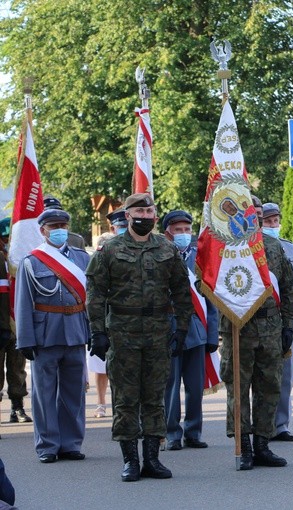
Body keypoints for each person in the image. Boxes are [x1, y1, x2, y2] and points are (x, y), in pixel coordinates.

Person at [86, 192, 192, 482]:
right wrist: (97, 331)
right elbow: (95, 293)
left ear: (154, 216)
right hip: (122, 332)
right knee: (125, 399)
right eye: (139, 212)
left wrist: (182, 328)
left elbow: (182, 291)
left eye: (149, 212)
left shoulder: (166, 249)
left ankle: (152, 460)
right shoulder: (110, 249)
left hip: (158, 332)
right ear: (127, 215)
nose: (145, 217)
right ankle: (130, 460)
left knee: (155, 398)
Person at [218, 195, 293, 470]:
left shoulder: (275, 247)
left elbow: (288, 289)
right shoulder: (227, 249)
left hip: (270, 327)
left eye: (262, 212)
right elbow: (214, 286)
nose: (260, 217)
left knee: (269, 387)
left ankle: (263, 444)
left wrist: (288, 325)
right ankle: (245, 445)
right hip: (238, 328)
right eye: (254, 212)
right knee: (238, 390)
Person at [15, 208, 89, 463]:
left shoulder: (82, 259)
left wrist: (96, 332)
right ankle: (47, 445)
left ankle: (70, 443)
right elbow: (23, 302)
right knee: (44, 393)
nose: (59, 230)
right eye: (53, 226)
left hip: (76, 331)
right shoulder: (32, 261)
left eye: (63, 225)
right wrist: (25, 339)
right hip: (45, 334)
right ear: (43, 230)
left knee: (74, 392)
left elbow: (93, 299)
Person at [162, 210, 219, 451]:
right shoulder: (160, 256)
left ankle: (193, 431)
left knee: (195, 387)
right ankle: (172, 433)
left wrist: (213, 333)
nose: (184, 234)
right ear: (168, 232)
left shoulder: (200, 258)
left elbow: (211, 297)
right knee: (171, 386)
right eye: (178, 230)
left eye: (187, 229)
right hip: (169, 329)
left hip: (197, 330)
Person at [260, 202, 293, 442]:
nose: (272, 225)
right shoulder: (249, 248)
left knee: (285, 378)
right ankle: (260, 426)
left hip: (285, 320)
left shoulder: (289, 249)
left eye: (274, 221)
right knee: (260, 377)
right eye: (267, 222)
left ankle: (281, 425)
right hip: (257, 321)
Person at [88, 209, 128, 419]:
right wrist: (96, 330)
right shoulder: (102, 255)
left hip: (133, 324)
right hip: (108, 321)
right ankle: (106, 405)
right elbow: (94, 295)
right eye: (119, 226)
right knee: (104, 367)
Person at [0, 218, 32, 425]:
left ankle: (17, 407)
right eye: (6, 238)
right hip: (0, 323)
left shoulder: (21, 258)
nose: (8, 241)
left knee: (17, 367)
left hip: (16, 321)